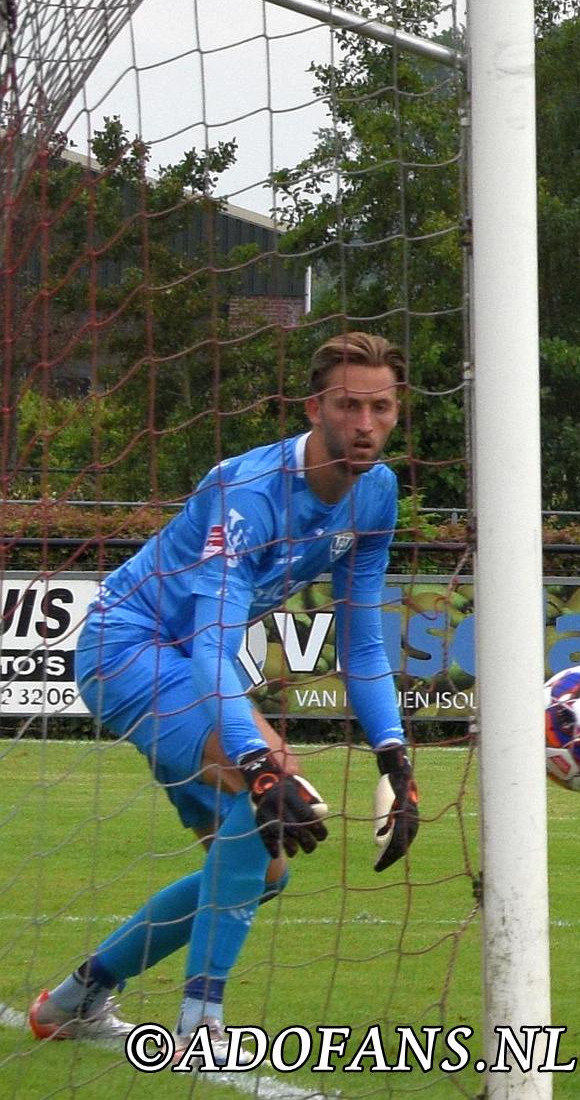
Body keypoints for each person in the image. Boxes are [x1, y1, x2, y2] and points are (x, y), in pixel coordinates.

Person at [29, 332, 422, 1066]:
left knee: (261, 869)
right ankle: (200, 1027)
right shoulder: (247, 490)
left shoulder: (378, 492)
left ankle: (74, 1000)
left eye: (381, 407)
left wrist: (395, 756)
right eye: (348, 406)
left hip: (188, 665)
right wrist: (255, 757)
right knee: (271, 783)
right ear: (315, 407)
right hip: (128, 647)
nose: (365, 424)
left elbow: (362, 639)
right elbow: (213, 636)